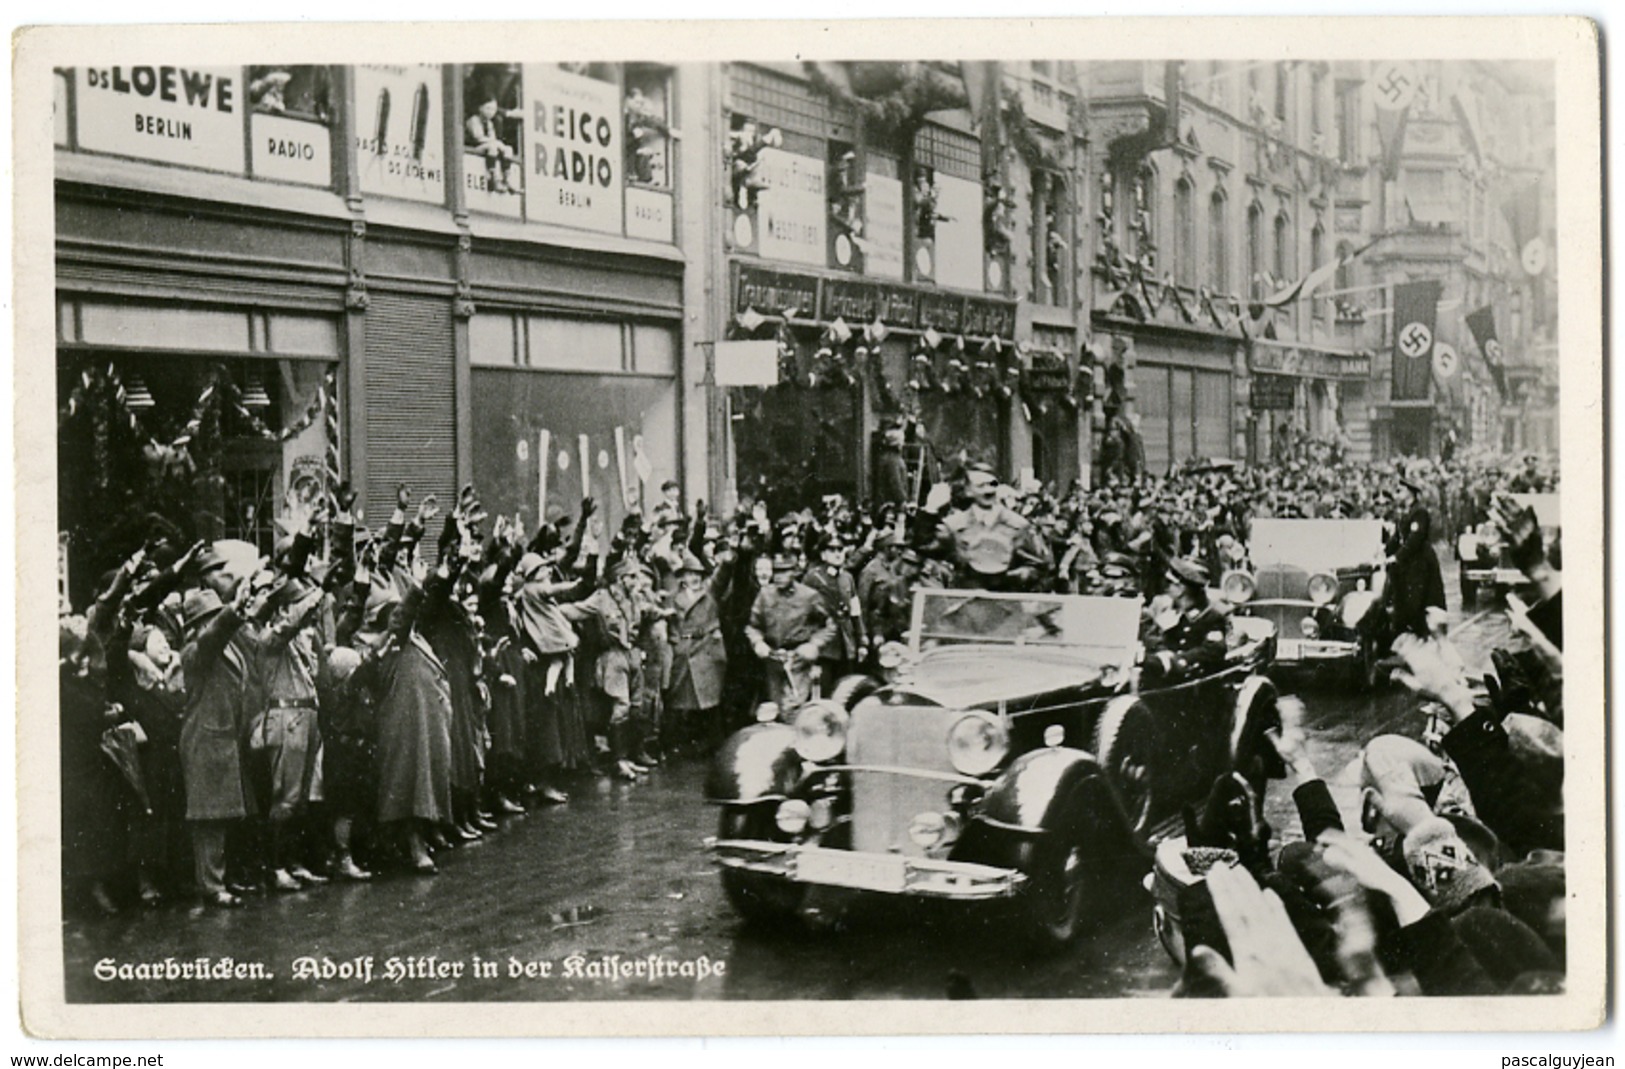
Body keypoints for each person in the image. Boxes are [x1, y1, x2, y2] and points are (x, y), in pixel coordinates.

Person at [745, 553, 836, 716]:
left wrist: (814, 644)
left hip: (798, 660)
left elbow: (829, 625)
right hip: (773, 660)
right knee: (774, 709)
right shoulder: (765, 595)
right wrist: (758, 642)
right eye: (776, 571)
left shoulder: (809, 596)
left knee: (792, 708)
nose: (778, 576)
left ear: (794, 572)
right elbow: (753, 626)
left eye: (784, 572)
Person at [940, 463, 1052, 591]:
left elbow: (1037, 566)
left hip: (1006, 603)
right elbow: (927, 549)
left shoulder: (1018, 525)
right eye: (981, 486)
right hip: (966, 604)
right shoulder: (954, 525)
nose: (988, 491)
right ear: (968, 490)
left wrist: (1019, 576)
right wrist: (929, 511)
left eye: (992, 484)